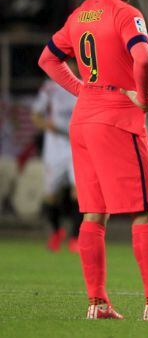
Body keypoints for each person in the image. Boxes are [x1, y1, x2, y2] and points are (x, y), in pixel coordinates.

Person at [37, 0, 148, 320]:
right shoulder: (126, 14)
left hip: (83, 121)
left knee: (93, 214)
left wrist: (82, 89)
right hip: (117, 120)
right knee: (147, 212)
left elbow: (47, 58)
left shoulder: (80, 14)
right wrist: (146, 97)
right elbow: (144, 57)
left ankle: (98, 303)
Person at [31, 76, 81, 253]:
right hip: (55, 148)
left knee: (79, 192)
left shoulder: (87, 84)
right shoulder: (50, 87)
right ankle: (56, 231)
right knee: (51, 196)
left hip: (77, 145)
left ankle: (75, 238)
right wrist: (47, 125)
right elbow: (36, 116)